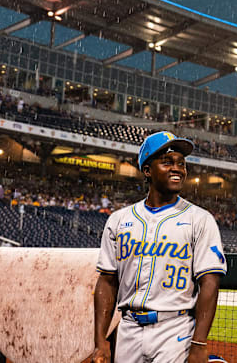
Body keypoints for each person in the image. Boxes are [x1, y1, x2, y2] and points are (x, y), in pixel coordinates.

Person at [92, 131, 227, 363]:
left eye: (181, 164)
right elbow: (106, 281)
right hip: (128, 329)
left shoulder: (200, 219)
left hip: (175, 328)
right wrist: (101, 342)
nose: (177, 169)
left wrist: (198, 343)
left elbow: (210, 282)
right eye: (167, 162)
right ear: (147, 170)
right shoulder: (118, 219)